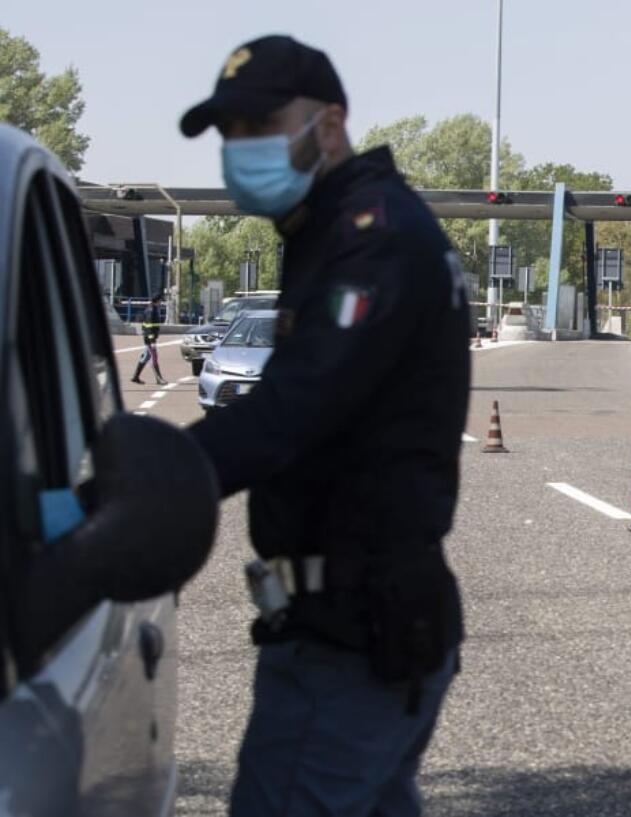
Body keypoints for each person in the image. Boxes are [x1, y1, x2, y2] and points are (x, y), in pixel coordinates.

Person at [179, 35, 471, 815]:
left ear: (330, 126)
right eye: (230, 135)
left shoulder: (373, 238)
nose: (241, 149)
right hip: (355, 621)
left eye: (261, 126)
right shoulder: (332, 230)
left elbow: (291, 410)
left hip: (353, 638)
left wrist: (145, 473)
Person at [132, 295, 168, 385]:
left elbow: (145, 325)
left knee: (146, 357)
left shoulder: (148, 309)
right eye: (160, 301)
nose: (161, 303)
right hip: (150, 339)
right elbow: (150, 326)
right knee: (154, 357)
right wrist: (152, 340)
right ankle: (159, 379)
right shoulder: (152, 310)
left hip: (148, 337)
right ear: (157, 301)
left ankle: (135, 377)